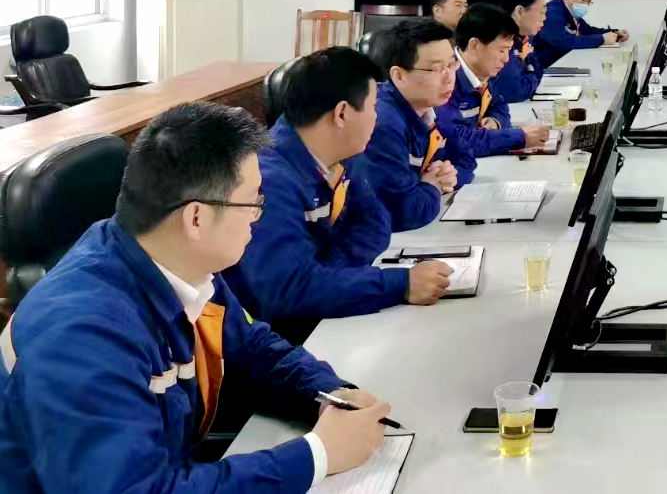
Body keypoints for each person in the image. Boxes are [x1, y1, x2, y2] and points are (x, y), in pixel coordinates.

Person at [0, 102, 392, 490]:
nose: (258, 216)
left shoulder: (179, 262)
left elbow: (253, 348)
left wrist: (327, 393)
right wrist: (317, 455)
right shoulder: (82, 336)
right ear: (197, 218)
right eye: (253, 202)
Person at [225, 47, 452, 343]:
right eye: (373, 107)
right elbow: (287, 289)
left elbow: (375, 224)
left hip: (323, 314)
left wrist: (327, 274)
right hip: (274, 340)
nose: (377, 117)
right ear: (342, 113)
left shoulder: (344, 155)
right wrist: (402, 284)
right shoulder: (268, 179)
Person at [351, 18, 461, 231]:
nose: (449, 77)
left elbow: (465, 159)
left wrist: (445, 176)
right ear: (399, 75)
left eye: (451, 65)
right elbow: (405, 213)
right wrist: (432, 186)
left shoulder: (432, 106)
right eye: (436, 69)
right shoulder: (382, 122)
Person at [444, 3, 550, 180]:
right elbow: (456, 140)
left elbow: (500, 107)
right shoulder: (445, 78)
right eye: (501, 50)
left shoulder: (483, 73)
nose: (506, 59)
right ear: (475, 45)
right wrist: (519, 137)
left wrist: (496, 122)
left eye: (509, 50)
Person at [533, 0, 628, 67]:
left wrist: (615, 33)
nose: (585, 4)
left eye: (588, 1)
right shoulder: (552, 13)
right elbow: (564, 42)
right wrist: (602, 39)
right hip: (547, 68)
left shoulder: (571, 13)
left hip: (565, 63)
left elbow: (588, 31)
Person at [492, 0, 549, 103]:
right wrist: (532, 75)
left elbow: (538, 69)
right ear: (519, 11)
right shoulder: (500, 40)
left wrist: (530, 75)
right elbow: (515, 92)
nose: (544, 18)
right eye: (541, 12)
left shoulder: (524, 37)